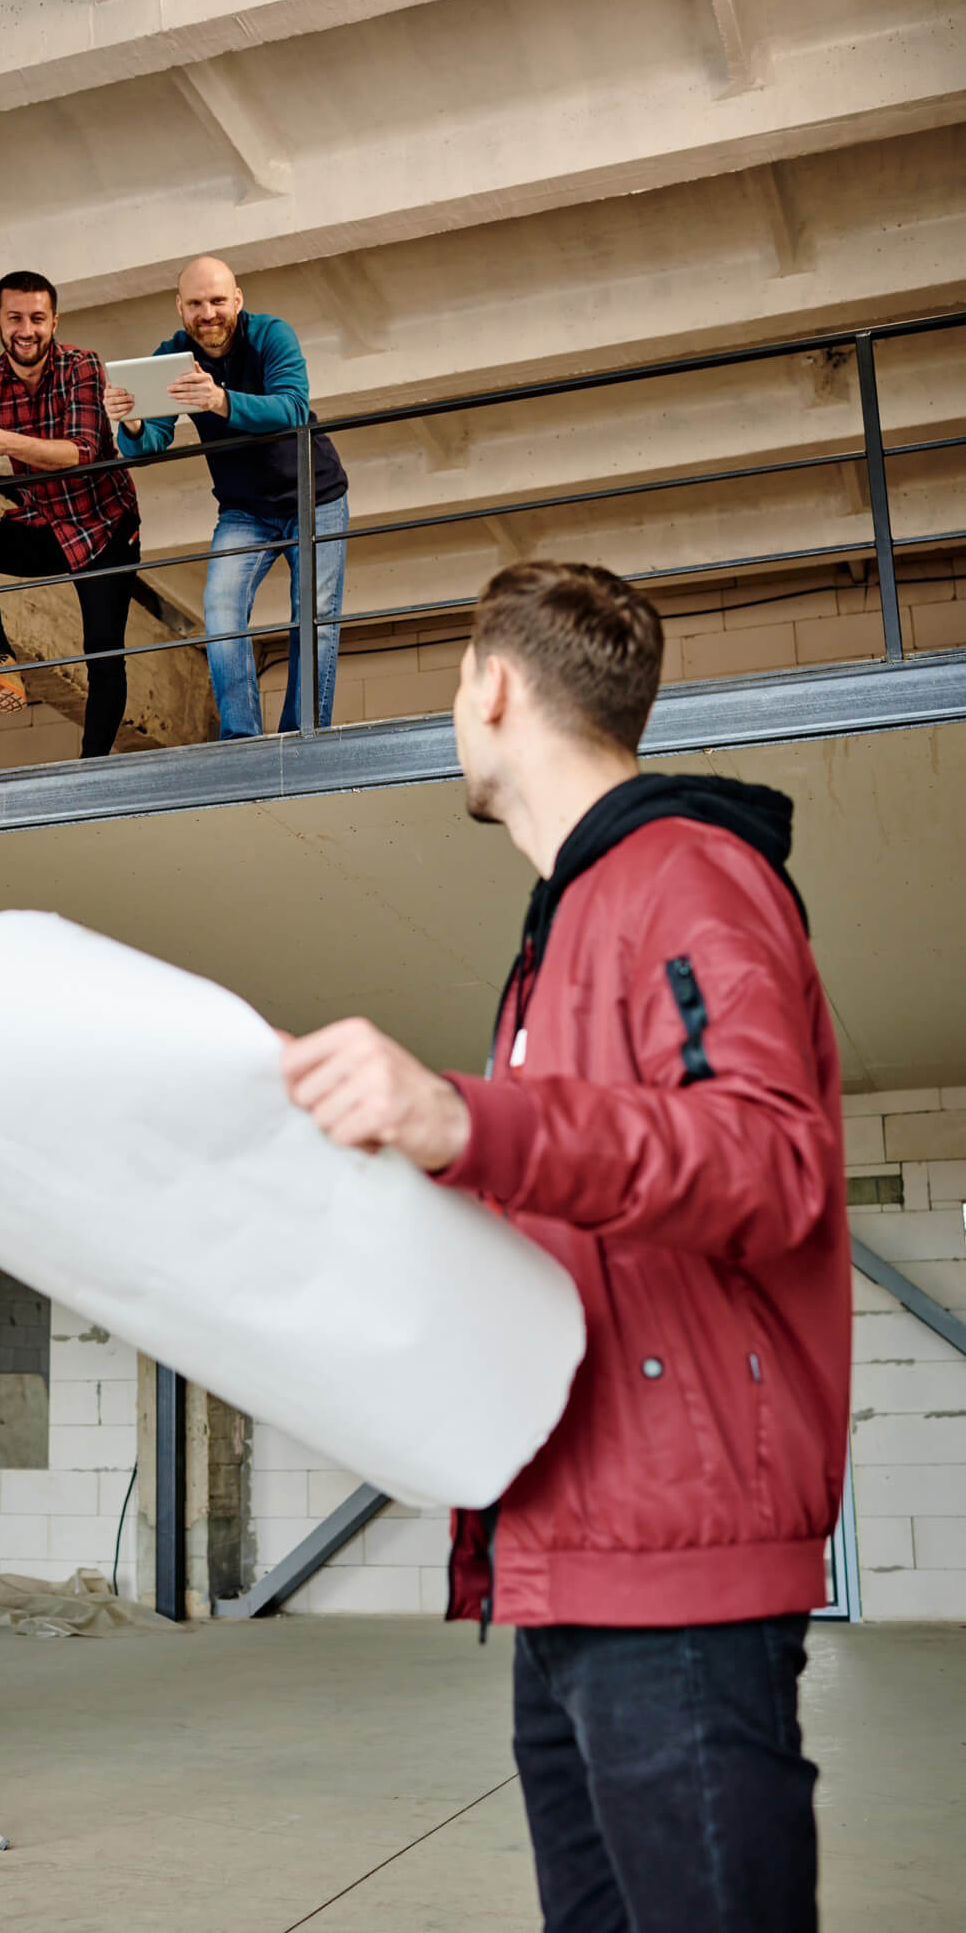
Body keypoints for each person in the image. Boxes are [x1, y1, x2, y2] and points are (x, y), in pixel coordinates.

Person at [280, 560, 851, 1933]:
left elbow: (771, 1161)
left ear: (489, 687)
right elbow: (572, 1207)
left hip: (677, 1573)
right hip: (571, 1559)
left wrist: (463, 1118)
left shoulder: (686, 878)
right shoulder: (565, 929)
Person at [105, 255, 348, 740]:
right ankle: (241, 739)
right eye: (196, 303)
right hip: (243, 509)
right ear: (180, 307)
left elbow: (293, 407)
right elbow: (150, 442)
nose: (208, 313)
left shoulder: (271, 335)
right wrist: (129, 422)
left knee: (314, 619)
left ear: (237, 300)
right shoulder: (171, 356)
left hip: (314, 496)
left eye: (218, 300)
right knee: (220, 612)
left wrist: (219, 400)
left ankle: (304, 735)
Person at [0, 270, 141, 756]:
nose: (26, 330)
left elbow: (84, 451)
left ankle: (91, 769)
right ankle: (0, 659)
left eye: (37, 319)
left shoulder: (81, 366)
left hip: (104, 527)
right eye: (14, 319)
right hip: (45, 525)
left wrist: (5, 441)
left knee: (104, 653)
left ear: (54, 321)